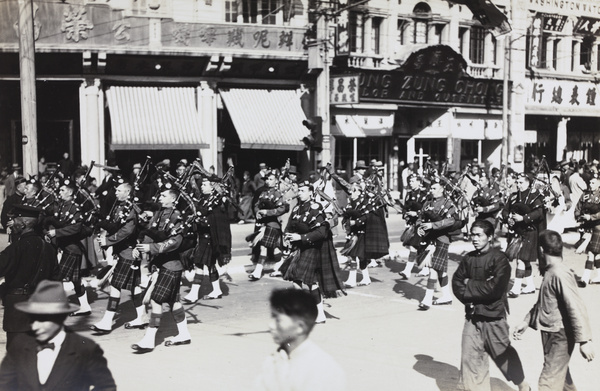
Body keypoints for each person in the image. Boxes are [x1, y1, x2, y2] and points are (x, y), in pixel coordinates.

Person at [452, 220, 530, 391]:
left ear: (489, 236)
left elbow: (494, 289)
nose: (475, 239)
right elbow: (457, 283)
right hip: (472, 317)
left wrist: (469, 284)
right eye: (473, 235)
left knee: (503, 355)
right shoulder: (468, 258)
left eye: (479, 235)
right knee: (469, 358)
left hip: (494, 317)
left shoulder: (499, 260)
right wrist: (473, 289)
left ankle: (522, 384)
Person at [513, 230, 594, 391]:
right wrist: (526, 321)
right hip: (551, 332)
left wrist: (585, 341)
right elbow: (544, 302)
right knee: (563, 379)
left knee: (547, 383)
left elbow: (576, 307)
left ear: (541, 250)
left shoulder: (559, 273)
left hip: (560, 336)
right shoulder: (552, 271)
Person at [0, 280, 116, 390]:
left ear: (60, 317)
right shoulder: (19, 345)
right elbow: (4, 384)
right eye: (32, 319)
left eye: (42, 320)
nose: (35, 326)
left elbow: (106, 387)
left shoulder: (85, 349)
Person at [131, 187, 192, 352]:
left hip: (172, 266)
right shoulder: (158, 214)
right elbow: (150, 233)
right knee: (173, 301)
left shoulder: (178, 217)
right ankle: (184, 334)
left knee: (156, 300)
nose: (160, 197)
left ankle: (149, 340)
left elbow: (175, 242)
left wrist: (150, 248)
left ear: (173, 199)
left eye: (164, 195)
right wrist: (139, 247)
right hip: (160, 264)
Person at [253, 288, 346, 391]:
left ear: (300, 327)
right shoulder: (273, 360)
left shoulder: (322, 368)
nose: (270, 325)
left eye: (278, 320)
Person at [280, 181, 345, 323]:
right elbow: (290, 226)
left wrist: (301, 237)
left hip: (314, 247)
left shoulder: (316, 208)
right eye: (299, 190)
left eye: (303, 191)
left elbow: (321, 233)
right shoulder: (297, 208)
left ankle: (319, 314)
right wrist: (287, 236)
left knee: (310, 282)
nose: (299, 193)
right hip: (300, 247)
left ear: (310, 192)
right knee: (296, 281)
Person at [0, 204, 60, 349]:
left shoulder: (16, 247)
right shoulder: (49, 248)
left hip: (18, 310)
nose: (12, 224)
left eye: (14, 220)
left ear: (24, 223)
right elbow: (56, 283)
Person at [90, 182, 146, 333]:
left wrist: (108, 241)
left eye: (119, 190)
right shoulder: (120, 206)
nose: (116, 193)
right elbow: (117, 227)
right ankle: (141, 317)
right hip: (123, 250)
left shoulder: (132, 209)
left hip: (129, 251)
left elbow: (127, 231)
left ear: (128, 192)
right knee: (134, 286)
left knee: (115, 285)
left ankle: (107, 321)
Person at [44, 179, 92, 316]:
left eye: (63, 190)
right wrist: (53, 235)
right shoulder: (62, 206)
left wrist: (56, 233)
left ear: (70, 192)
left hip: (72, 250)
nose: (60, 192)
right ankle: (85, 306)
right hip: (67, 248)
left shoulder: (75, 208)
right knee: (76, 280)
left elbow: (76, 228)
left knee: (57, 278)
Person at [183, 175, 232, 302]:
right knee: (210, 265)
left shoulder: (218, 203)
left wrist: (201, 221)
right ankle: (216, 290)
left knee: (199, 264)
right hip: (203, 236)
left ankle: (194, 293)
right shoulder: (204, 200)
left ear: (212, 188)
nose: (202, 186)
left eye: (205, 185)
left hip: (210, 238)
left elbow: (217, 221)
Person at [413, 177, 458, 310]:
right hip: (428, 239)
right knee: (440, 270)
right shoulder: (427, 203)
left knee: (433, 268)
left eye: (434, 188)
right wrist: (419, 228)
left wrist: (433, 225)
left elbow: (451, 221)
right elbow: (420, 218)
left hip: (442, 239)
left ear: (442, 189)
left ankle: (427, 299)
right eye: (431, 188)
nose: (431, 191)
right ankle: (447, 296)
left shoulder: (449, 203)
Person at [503, 173, 545, 298]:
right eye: (518, 182)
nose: (518, 184)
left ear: (528, 183)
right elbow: (506, 210)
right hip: (517, 231)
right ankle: (530, 285)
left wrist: (524, 218)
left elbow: (539, 212)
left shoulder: (534, 196)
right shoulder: (514, 196)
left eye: (521, 182)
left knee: (520, 259)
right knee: (524, 261)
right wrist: (508, 218)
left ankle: (516, 288)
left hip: (530, 230)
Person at [248, 170, 287, 280]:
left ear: (276, 181)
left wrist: (267, 212)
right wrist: (257, 212)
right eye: (267, 179)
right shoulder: (263, 193)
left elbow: (282, 208)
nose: (268, 182)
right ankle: (280, 267)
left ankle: (258, 271)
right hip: (264, 224)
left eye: (271, 179)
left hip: (273, 224)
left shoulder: (278, 193)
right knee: (275, 248)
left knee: (264, 247)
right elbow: (256, 205)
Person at [399, 174, 429, 279]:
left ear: (419, 182)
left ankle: (408, 270)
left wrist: (416, 214)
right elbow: (405, 207)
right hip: (412, 224)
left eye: (412, 181)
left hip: (422, 223)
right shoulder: (409, 194)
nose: (410, 183)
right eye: (410, 181)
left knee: (415, 246)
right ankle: (425, 268)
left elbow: (427, 209)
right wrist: (405, 215)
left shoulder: (425, 194)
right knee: (417, 245)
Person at [574, 173, 600, 286]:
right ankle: (599, 276)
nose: (590, 184)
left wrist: (592, 217)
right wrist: (578, 216)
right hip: (587, 226)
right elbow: (578, 207)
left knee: (591, 252)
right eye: (590, 182)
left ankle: (585, 278)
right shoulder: (585, 194)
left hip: (598, 225)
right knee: (597, 253)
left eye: (593, 183)